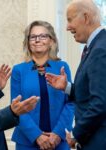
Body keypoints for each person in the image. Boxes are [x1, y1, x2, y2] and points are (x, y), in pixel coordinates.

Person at [45, 0, 106, 149]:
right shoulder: (95, 46)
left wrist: (75, 134)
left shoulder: (100, 50)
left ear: (86, 17)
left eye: (70, 19)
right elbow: (92, 92)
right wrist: (67, 87)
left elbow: (101, 103)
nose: (67, 27)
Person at [10, 20, 74, 150]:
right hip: (27, 141)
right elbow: (16, 107)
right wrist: (37, 135)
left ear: (51, 41)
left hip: (58, 140)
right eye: (33, 37)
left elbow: (71, 102)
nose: (37, 40)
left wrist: (58, 133)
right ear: (28, 42)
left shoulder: (62, 67)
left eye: (43, 36)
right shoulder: (18, 70)